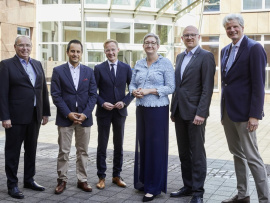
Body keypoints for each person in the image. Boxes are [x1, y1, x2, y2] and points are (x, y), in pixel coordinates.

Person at [220, 13, 270, 203]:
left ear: (242, 27)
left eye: (235, 26)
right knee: (237, 154)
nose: (232, 30)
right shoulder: (225, 50)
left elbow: (259, 84)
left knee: (253, 157)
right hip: (227, 112)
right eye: (228, 28)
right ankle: (243, 196)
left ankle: (265, 199)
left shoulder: (254, 48)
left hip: (245, 114)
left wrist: (255, 115)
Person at [0, 36, 51, 199]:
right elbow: (2, 93)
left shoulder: (37, 64)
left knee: (31, 150)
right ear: (15, 47)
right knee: (13, 151)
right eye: (21, 45)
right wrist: (4, 117)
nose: (25, 48)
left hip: (34, 115)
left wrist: (45, 112)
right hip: (15, 117)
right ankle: (12, 184)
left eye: (28, 45)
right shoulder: (6, 65)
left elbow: (42, 90)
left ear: (31, 46)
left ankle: (29, 179)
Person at [170, 26, 216, 203]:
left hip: (196, 113)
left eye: (192, 35)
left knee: (196, 153)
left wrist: (202, 113)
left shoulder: (206, 56)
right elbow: (178, 86)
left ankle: (198, 192)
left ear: (199, 37)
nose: (189, 38)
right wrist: (173, 109)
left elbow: (207, 88)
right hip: (180, 112)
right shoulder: (180, 56)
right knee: (183, 153)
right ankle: (188, 186)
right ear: (182, 38)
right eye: (186, 35)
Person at [129, 33, 175, 202]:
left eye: (153, 43)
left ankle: (154, 187)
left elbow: (171, 87)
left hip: (158, 110)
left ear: (158, 45)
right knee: (144, 146)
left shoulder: (165, 63)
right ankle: (144, 182)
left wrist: (149, 91)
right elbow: (132, 83)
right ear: (143, 46)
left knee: (156, 148)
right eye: (147, 42)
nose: (149, 45)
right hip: (141, 109)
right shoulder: (139, 63)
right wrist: (134, 90)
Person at [51, 39, 97, 194]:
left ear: (81, 53)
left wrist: (85, 114)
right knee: (64, 151)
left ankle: (82, 180)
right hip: (65, 118)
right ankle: (62, 180)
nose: (75, 54)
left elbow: (93, 95)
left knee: (83, 151)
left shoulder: (89, 72)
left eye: (78, 51)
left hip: (85, 119)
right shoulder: (58, 71)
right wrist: (68, 113)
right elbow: (56, 95)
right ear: (67, 52)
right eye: (72, 51)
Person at [94, 39, 132, 190]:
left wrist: (125, 102)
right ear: (104, 52)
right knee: (102, 145)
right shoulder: (98, 68)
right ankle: (101, 177)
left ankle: (117, 175)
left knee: (119, 145)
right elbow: (93, 91)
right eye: (107, 50)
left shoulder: (126, 68)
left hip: (120, 112)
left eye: (113, 49)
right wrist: (102, 102)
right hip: (104, 112)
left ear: (118, 50)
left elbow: (133, 88)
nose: (110, 52)